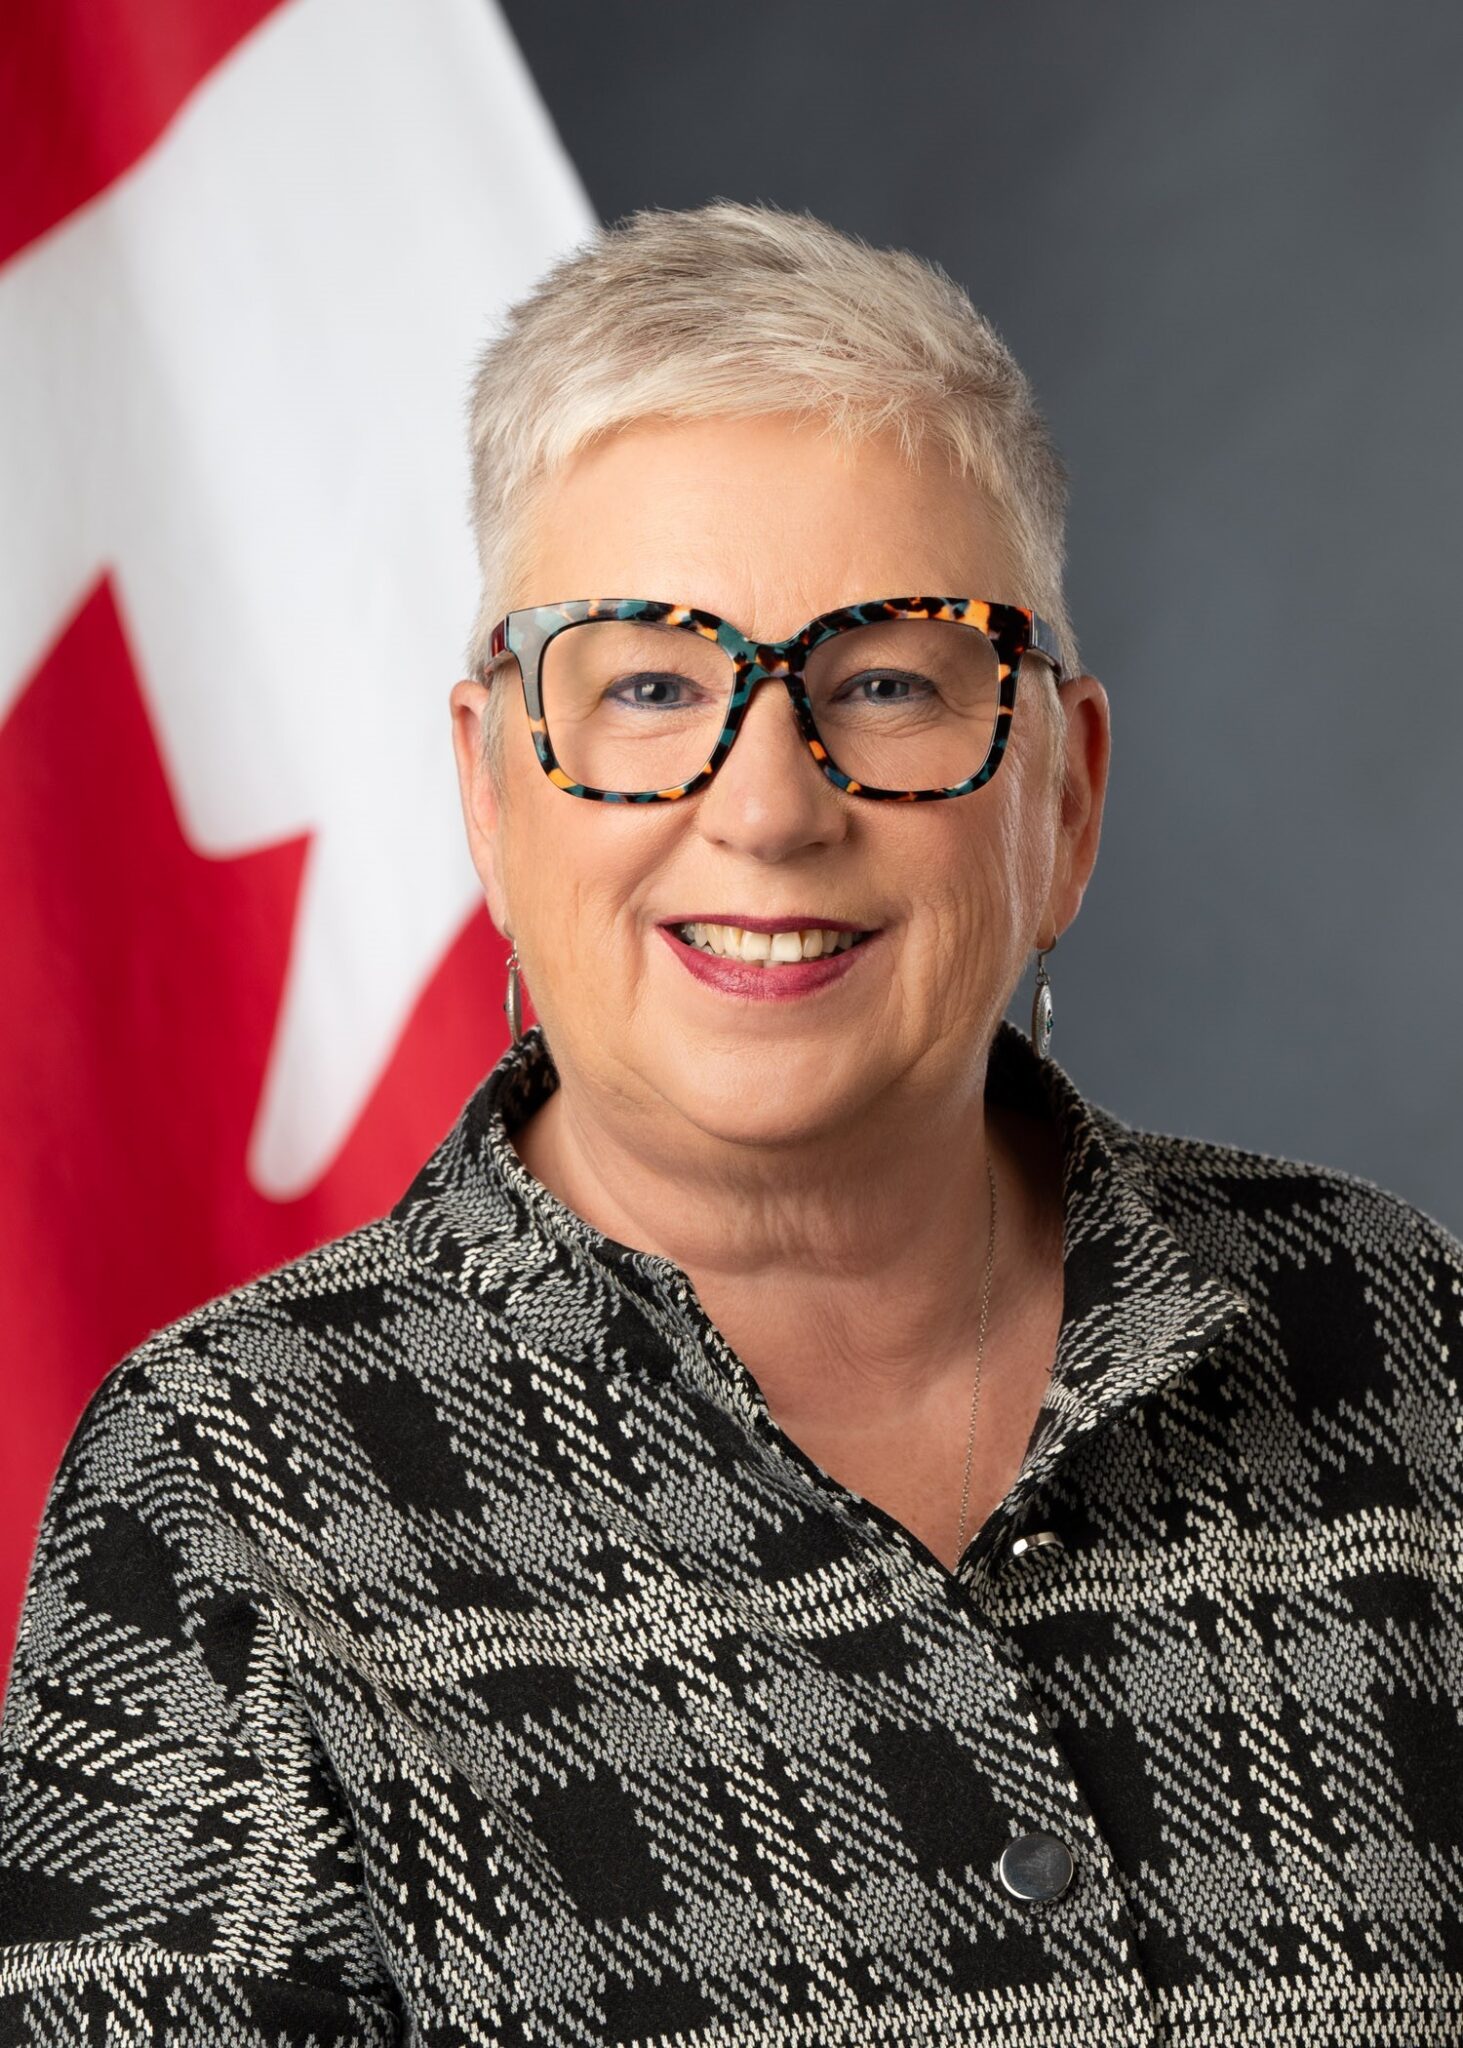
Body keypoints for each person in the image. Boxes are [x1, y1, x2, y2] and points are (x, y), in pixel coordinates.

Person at [1, 200, 1459, 2048]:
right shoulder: (229, 1495)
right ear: (489, 788)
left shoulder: (1399, 1334)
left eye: (889, 680)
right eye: (651, 686)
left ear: (1064, 800)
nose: (767, 807)